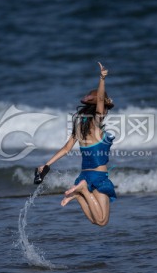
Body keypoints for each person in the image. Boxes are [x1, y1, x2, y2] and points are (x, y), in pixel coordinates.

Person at [38, 62, 116, 226]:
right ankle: (80, 191)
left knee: (99, 222)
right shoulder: (96, 123)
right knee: (102, 221)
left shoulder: (80, 126)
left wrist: (46, 165)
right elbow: (100, 100)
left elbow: (66, 149)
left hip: (85, 176)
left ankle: (79, 195)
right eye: (105, 108)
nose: (106, 111)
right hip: (98, 177)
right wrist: (102, 78)